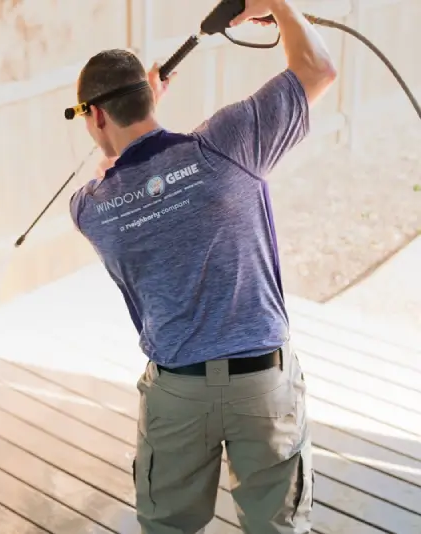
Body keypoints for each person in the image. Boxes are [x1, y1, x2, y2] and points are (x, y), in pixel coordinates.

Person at [66, 1, 337, 533]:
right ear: (149, 96)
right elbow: (319, 70)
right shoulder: (226, 143)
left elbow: (111, 169)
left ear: (96, 114)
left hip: (178, 394)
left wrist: (125, 127)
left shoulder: (91, 210)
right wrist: (278, 6)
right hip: (263, 384)